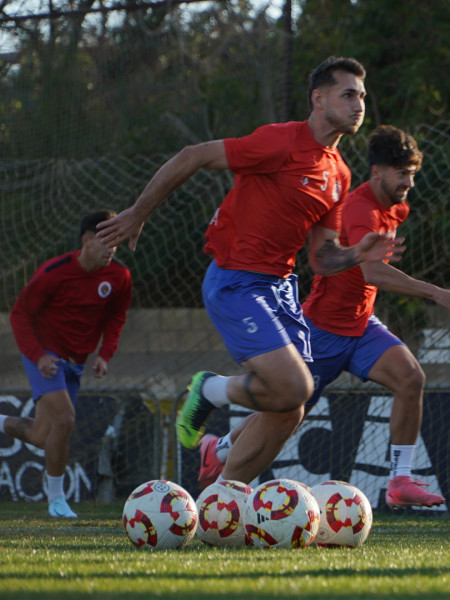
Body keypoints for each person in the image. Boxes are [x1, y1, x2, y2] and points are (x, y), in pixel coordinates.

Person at [95, 56, 401, 487]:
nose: (359, 105)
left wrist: (357, 254)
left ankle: (224, 496)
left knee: (292, 406)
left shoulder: (340, 173)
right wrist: (138, 213)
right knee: (294, 387)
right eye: (348, 94)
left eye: (362, 96)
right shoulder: (281, 142)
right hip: (235, 279)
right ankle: (211, 390)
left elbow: (323, 258)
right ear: (318, 99)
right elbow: (193, 155)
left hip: (281, 289)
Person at [195, 124, 450, 508]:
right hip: (324, 329)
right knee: (286, 406)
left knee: (411, 377)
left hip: (361, 326)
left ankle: (398, 480)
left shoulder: (396, 207)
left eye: (413, 173)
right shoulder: (358, 208)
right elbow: (369, 271)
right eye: (402, 173)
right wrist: (434, 292)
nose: (409, 182)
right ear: (377, 171)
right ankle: (221, 447)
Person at [3, 210, 132, 518]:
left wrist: (105, 354)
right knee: (66, 420)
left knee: (39, 435)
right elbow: (20, 316)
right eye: (106, 241)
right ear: (86, 241)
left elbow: (116, 317)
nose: (112, 248)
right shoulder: (54, 272)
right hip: (45, 355)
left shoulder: (119, 276)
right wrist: (38, 355)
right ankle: (57, 501)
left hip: (76, 363)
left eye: (116, 241)